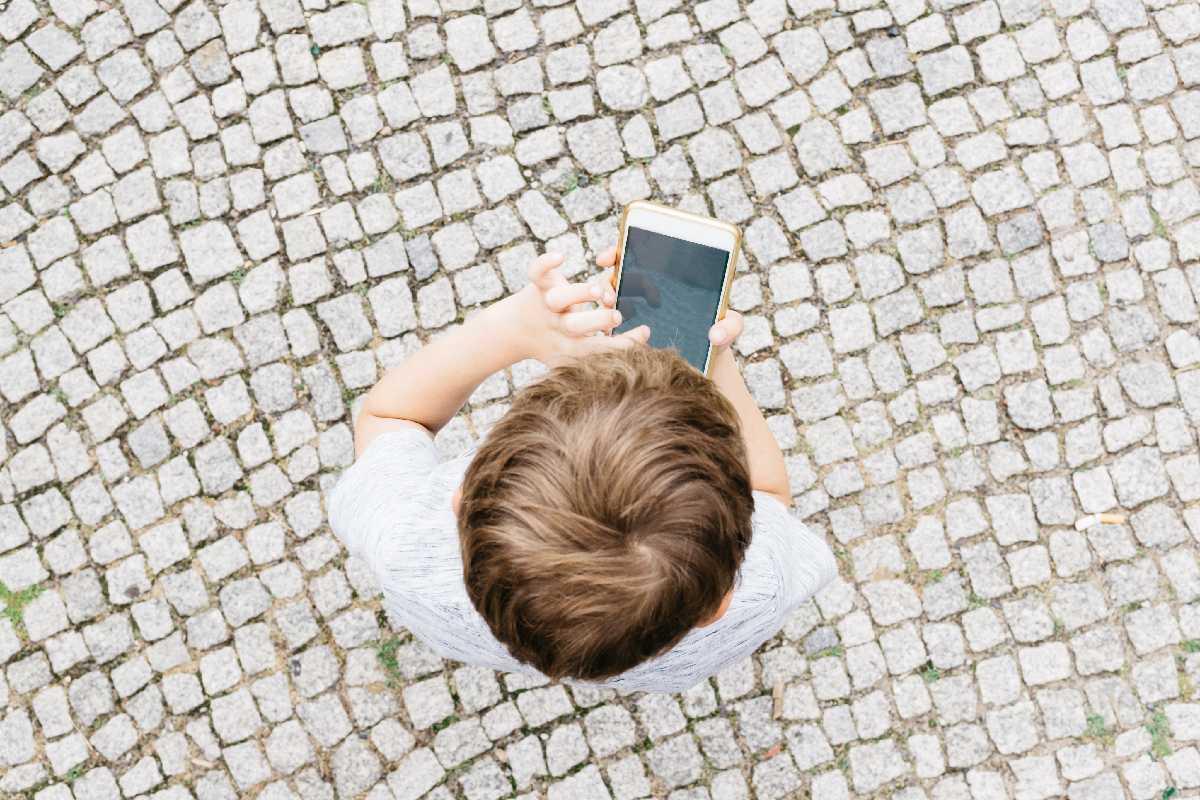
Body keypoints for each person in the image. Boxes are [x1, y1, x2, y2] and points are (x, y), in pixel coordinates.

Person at [329, 247, 837, 692]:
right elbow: (768, 493)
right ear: (717, 605)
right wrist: (713, 359)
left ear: (460, 499)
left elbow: (391, 417)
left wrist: (512, 330)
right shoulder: (760, 595)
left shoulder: (407, 554)